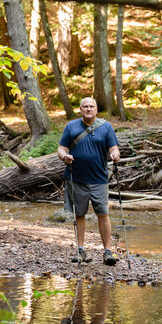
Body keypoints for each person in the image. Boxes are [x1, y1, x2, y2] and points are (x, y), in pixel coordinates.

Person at [57, 97, 120, 266]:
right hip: (76, 178)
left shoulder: (106, 127)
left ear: (96, 109)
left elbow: (113, 148)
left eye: (91, 106)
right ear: (80, 109)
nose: (88, 109)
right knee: (80, 214)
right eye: (85, 106)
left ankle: (107, 251)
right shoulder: (71, 126)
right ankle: (81, 250)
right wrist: (65, 157)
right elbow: (61, 148)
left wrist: (115, 155)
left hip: (99, 179)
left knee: (103, 214)